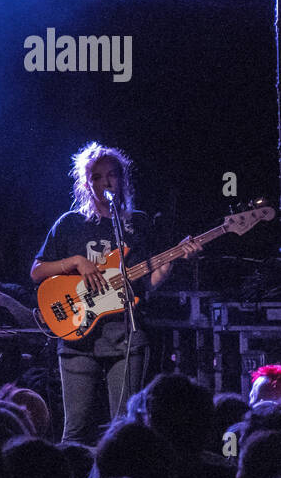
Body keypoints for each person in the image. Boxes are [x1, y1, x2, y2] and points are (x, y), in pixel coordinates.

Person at [30, 143, 200, 444]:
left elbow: (148, 284)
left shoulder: (137, 223)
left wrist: (172, 260)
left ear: (122, 179)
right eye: (96, 176)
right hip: (77, 335)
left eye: (112, 175)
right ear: (86, 182)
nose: (105, 182)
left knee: (124, 429)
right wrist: (75, 262)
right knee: (76, 430)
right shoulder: (69, 224)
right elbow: (37, 272)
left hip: (126, 335)